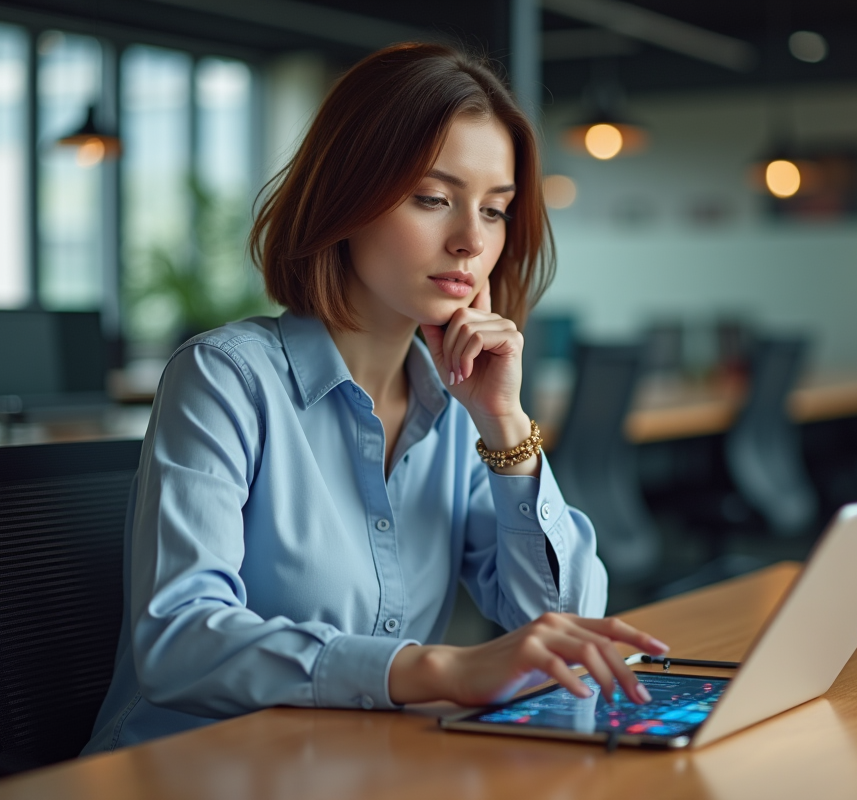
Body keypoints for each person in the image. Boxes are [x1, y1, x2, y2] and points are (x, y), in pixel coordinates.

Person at [84, 42, 668, 754]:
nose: (469, 242)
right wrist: (437, 668)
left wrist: (503, 424)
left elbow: (566, 628)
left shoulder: (461, 409)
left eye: (495, 210)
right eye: (433, 199)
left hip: (361, 765)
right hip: (191, 768)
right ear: (347, 196)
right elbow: (179, 639)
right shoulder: (224, 378)